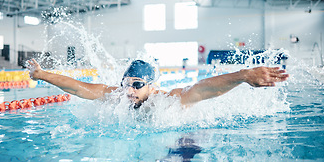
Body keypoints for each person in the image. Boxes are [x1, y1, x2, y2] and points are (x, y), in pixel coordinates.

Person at [26, 58, 289, 108]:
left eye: (137, 84)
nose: (129, 90)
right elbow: (77, 87)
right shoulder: (120, 96)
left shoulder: (166, 100)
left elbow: (202, 90)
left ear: (152, 85)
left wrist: (243, 76)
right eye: (126, 83)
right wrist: (42, 75)